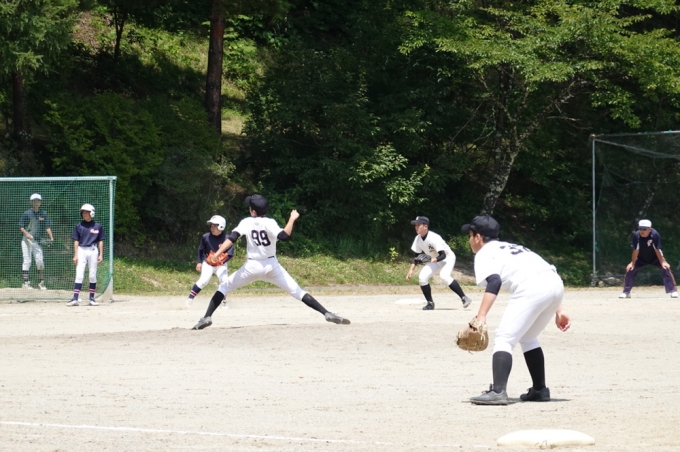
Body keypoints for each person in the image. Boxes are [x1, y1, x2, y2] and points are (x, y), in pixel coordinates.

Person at [191, 194, 350, 330]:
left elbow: (232, 239)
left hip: (252, 266)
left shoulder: (246, 222)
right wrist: (292, 219)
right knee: (298, 291)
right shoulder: (270, 222)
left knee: (223, 287)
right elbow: (284, 236)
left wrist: (217, 253)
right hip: (272, 266)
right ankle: (326, 313)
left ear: (253, 211)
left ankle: (207, 317)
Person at [461, 215, 570, 405]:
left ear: (478, 237)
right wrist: (559, 309)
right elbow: (542, 273)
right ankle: (540, 390)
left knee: (504, 338)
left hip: (533, 287)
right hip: (555, 285)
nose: (469, 240)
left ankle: (498, 392)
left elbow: (494, 281)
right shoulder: (514, 248)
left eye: (470, 235)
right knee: (528, 337)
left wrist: (481, 316)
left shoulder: (484, 253)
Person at [406, 216, 472, 310]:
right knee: (422, 277)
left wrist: (433, 260)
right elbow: (416, 256)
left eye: (418, 225)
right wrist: (411, 270)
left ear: (425, 226)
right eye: (415, 225)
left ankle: (464, 298)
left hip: (447, 258)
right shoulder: (418, 239)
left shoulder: (434, 238)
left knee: (444, 276)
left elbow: (443, 255)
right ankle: (430, 303)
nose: (416, 227)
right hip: (435, 260)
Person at [620, 219, 678, 299]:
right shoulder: (636, 235)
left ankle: (673, 291)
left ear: (650, 229)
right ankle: (626, 292)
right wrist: (632, 263)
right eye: (640, 229)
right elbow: (635, 250)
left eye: (644, 229)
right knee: (630, 269)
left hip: (655, 257)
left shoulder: (655, 234)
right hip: (641, 258)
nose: (642, 231)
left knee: (665, 268)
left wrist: (662, 262)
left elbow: (657, 250)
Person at [185, 215, 235, 307]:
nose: (212, 227)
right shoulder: (206, 237)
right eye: (211, 225)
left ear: (221, 226)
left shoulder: (227, 239)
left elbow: (230, 254)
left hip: (221, 265)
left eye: (215, 225)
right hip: (208, 263)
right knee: (203, 280)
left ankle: (223, 301)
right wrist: (199, 262)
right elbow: (200, 250)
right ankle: (190, 299)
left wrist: (222, 261)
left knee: (224, 280)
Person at [67, 204, 106, 307]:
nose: (84, 214)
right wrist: (75, 255)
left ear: (92, 213)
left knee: (92, 274)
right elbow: (76, 241)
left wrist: (101, 254)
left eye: (86, 212)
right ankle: (75, 298)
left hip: (93, 250)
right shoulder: (79, 226)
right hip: (81, 250)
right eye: (83, 212)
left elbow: (101, 241)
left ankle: (92, 298)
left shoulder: (98, 226)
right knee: (79, 273)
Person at [19, 193, 54, 290]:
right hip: (26, 240)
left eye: (38, 201)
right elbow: (21, 227)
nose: (36, 203)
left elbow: (47, 226)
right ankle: (25, 283)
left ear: (40, 202)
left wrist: (51, 237)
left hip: (37, 241)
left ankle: (41, 282)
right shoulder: (27, 213)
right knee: (27, 260)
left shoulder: (43, 213)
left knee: (40, 261)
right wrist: (27, 234)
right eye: (34, 201)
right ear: (31, 202)